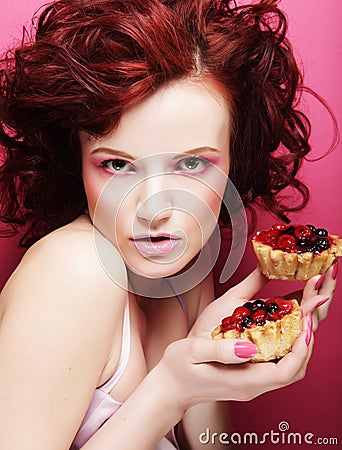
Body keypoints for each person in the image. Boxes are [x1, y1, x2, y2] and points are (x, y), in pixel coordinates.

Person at [0, 0, 337, 449]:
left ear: (235, 158)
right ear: (76, 161)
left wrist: (213, 375)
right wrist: (171, 390)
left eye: (192, 163)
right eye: (118, 165)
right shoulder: (74, 270)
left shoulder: (184, 274)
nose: (154, 208)